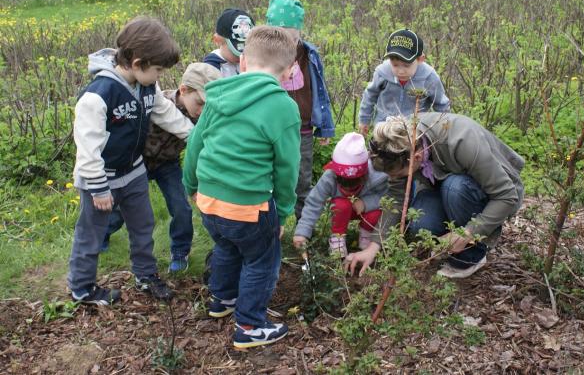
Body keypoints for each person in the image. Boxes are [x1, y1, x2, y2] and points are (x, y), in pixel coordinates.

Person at [182, 25, 300, 348]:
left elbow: (195, 143)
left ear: (244, 62)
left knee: (227, 246)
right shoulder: (284, 108)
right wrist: (284, 212)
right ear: (290, 71)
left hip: (208, 201)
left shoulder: (218, 93)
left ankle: (222, 300)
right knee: (262, 259)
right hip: (248, 206)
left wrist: (190, 183)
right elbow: (287, 169)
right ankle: (249, 326)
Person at [68, 17, 194, 305]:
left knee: (143, 225)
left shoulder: (147, 86)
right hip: (101, 179)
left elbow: (167, 114)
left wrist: (196, 137)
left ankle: (145, 274)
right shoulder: (97, 96)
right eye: (159, 69)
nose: (160, 75)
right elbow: (87, 149)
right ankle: (82, 287)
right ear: (137, 63)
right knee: (92, 232)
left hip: (134, 172)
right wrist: (99, 188)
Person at [345, 113, 525, 279]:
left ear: (416, 157)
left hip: (493, 193)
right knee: (420, 222)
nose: (394, 180)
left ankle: (472, 255)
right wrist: (374, 246)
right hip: (443, 189)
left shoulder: (462, 141)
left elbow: (506, 195)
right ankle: (452, 237)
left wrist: (468, 233)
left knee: (454, 188)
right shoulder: (398, 144)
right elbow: (397, 197)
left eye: (399, 175)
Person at [100, 63, 221, 274]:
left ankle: (180, 252)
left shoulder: (204, 118)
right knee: (120, 206)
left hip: (168, 164)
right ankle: (101, 236)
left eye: (208, 106)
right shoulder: (157, 101)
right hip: (139, 161)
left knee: (181, 207)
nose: (202, 110)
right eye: (200, 102)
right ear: (184, 90)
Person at [265, 0, 335, 220]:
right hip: (273, 129)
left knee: (302, 178)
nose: (289, 45)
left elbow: (320, 90)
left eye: (293, 39)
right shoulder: (263, 58)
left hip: (302, 128)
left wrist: (325, 126)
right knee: (273, 176)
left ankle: (303, 230)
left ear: (300, 34)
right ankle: (274, 224)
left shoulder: (309, 55)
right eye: (282, 39)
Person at [293, 133, 388, 257]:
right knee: (341, 205)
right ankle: (338, 239)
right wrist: (302, 232)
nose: (348, 188)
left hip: (363, 211)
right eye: (342, 183)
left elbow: (387, 196)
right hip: (342, 212)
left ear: (364, 174)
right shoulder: (329, 177)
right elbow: (314, 202)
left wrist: (366, 203)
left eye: (354, 184)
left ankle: (366, 236)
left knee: (375, 213)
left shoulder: (377, 176)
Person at [358, 29, 450, 136]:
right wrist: (364, 120)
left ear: (420, 59)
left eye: (407, 65)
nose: (400, 71)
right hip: (384, 128)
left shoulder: (429, 77)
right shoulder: (382, 72)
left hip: (415, 130)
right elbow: (369, 96)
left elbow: (441, 104)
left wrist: (444, 128)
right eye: (395, 65)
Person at [203, 8, 255, 77]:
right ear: (217, 40)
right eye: (236, 52)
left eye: (246, 51)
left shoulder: (251, 61)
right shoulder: (211, 67)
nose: (241, 56)